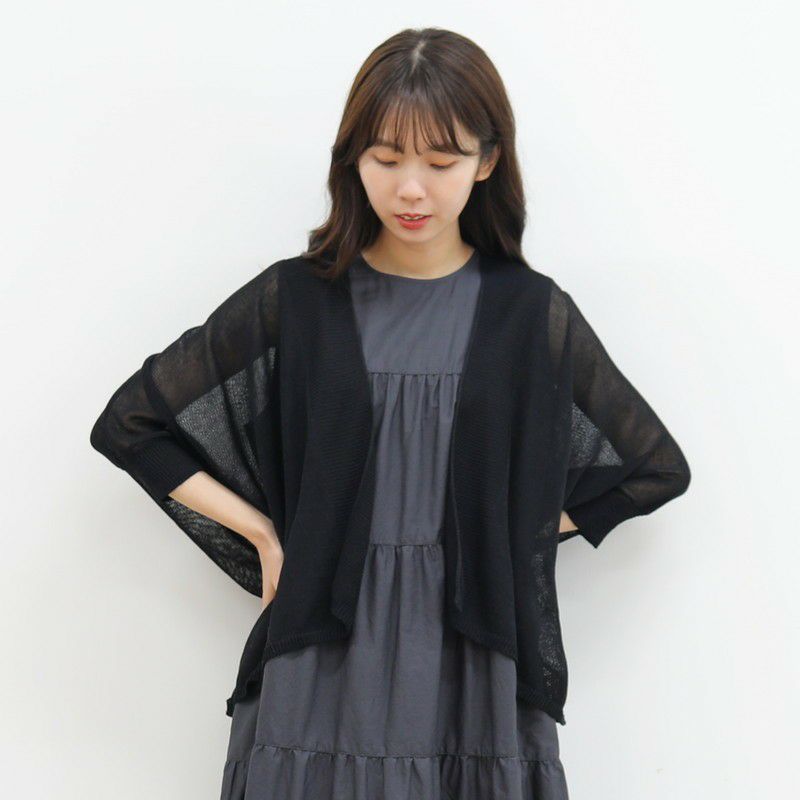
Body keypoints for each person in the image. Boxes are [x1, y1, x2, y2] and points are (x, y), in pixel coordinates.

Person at [89, 27, 691, 800]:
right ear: (353, 161)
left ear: (487, 161)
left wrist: (518, 532)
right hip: (320, 659)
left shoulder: (527, 313)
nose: (412, 189)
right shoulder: (299, 300)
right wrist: (265, 535)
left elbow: (652, 469)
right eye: (385, 159)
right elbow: (132, 424)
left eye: (441, 163)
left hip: (472, 665)